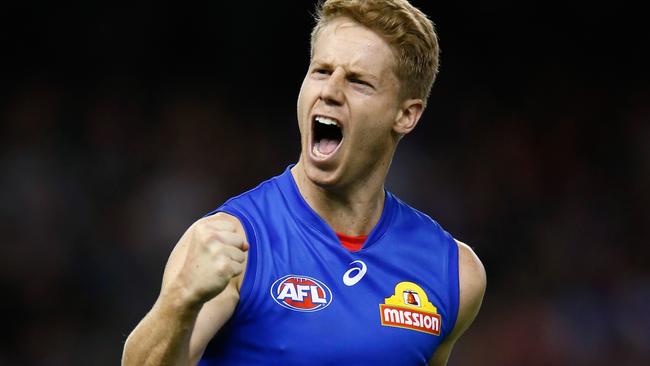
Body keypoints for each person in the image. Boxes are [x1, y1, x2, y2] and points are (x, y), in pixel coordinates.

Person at [122, 0, 486, 364]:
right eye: (321, 71)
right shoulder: (232, 244)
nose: (330, 91)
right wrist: (180, 300)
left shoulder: (453, 272)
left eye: (358, 82)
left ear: (406, 115)